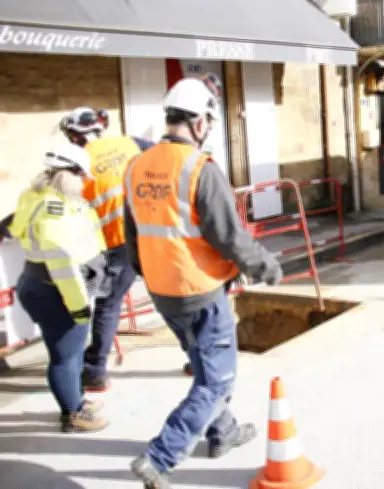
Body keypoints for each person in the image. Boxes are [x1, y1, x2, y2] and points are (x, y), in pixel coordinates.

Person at [123, 76, 283, 488]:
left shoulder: (137, 166)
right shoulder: (200, 169)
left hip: (162, 290)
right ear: (199, 123)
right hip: (200, 289)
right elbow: (229, 236)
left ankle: (223, 432)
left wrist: (148, 272)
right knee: (217, 379)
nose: (209, 129)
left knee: (203, 362)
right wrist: (265, 265)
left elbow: (133, 234)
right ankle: (160, 457)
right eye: (209, 121)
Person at [9, 142, 110, 432]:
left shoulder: (38, 196)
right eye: (82, 176)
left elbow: (16, 228)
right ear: (68, 174)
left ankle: (74, 399)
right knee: (65, 356)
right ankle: (73, 413)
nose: (85, 181)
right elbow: (62, 266)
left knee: (74, 349)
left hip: (44, 284)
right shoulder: (54, 209)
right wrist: (78, 307)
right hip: (58, 289)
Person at [60, 107, 143, 393]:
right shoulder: (129, 143)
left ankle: (95, 371)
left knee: (108, 305)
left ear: (74, 135)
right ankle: (198, 360)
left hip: (118, 244)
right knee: (170, 298)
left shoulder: (78, 164)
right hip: (150, 235)